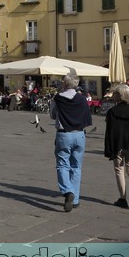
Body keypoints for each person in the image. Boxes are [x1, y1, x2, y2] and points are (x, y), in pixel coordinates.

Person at [49, 73, 92, 212]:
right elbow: (87, 115)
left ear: (66, 84)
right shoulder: (82, 99)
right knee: (76, 167)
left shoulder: (58, 98)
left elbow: (52, 115)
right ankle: (76, 199)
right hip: (79, 134)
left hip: (64, 134)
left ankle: (68, 191)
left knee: (62, 164)